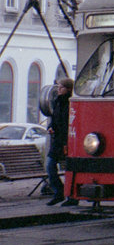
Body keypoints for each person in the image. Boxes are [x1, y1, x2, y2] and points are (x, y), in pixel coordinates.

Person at [45, 78, 77, 206]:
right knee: (50, 165)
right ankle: (59, 191)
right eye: (58, 87)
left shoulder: (71, 103)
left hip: (67, 140)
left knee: (70, 168)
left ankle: (71, 196)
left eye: (61, 87)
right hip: (58, 140)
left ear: (68, 89)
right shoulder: (57, 102)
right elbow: (54, 119)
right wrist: (51, 127)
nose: (58, 90)